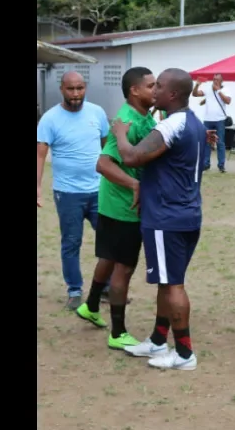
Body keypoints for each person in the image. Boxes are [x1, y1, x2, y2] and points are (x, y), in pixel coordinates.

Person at [114, 68, 210, 371]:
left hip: (167, 217)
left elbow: (131, 157)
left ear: (173, 95)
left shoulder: (172, 125)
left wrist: (118, 132)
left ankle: (184, 354)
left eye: (159, 87)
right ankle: (158, 339)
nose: (153, 92)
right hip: (185, 213)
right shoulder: (194, 123)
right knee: (166, 282)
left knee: (173, 285)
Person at [74, 67, 157, 351]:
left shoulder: (145, 116)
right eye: (151, 85)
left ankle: (91, 306)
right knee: (124, 267)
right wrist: (134, 185)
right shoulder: (128, 122)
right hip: (123, 208)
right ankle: (118, 332)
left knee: (109, 258)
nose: (155, 90)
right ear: (134, 90)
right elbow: (103, 163)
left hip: (113, 203)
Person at [37, 71, 110, 310]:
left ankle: (106, 287)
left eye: (80, 88)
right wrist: (37, 188)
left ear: (85, 87)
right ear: (62, 89)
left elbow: (106, 147)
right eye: (71, 89)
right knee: (71, 242)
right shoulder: (49, 119)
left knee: (109, 241)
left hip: (99, 190)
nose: (76, 94)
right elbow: (40, 154)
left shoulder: (97, 113)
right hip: (67, 193)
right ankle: (75, 291)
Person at [193, 74, 230, 173]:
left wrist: (218, 90)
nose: (215, 81)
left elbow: (228, 101)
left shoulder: (225, 89)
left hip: (220, 120)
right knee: (207, 142)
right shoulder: (208, 89)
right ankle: (206, 164)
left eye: (217, 80)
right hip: (208, 119)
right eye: (214, 79)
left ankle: (221, 165)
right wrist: (197, 85)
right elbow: (195, 94)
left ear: (221, 81)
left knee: (220, 143)